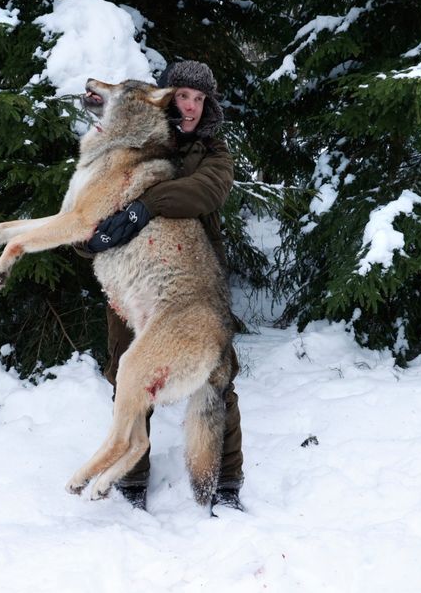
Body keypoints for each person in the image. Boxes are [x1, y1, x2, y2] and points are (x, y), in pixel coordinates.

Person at [84, 60, 244, 513]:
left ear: (208, 105)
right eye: (183, 96)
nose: (190, 106)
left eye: (199, 99)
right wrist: (93, 239)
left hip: (191, 285)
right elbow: (97, 198)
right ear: (168, 98)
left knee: (218, 377)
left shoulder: (214, 153)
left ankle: (226, 482)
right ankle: (132, 477)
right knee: (127, 373)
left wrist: (145, 207)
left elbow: (204, 193)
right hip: (133, 279)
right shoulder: (141, 137)